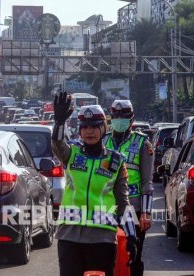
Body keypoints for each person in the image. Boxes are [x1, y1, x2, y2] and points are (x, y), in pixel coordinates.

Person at [51, 92, 137, 276]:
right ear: (80, 130)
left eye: (95, 126)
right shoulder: (71, 154)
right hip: (69, 236)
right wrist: (59, 123)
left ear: (103, 129)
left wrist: (131, 235)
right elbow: (57, 143)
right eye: (85, 127)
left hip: (102, 238)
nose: (90, 131)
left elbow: (123, 201)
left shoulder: (116, 161)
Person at [102, 99, 154, 276]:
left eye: (123, 117)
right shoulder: (103, 140)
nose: (118, 120)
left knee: (134, 254)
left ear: (131, 119)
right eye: (115, 116)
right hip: (106, 206)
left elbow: (147, 181)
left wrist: (146, 212)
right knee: (106, 254)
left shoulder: (142, 143)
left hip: (134, 207)